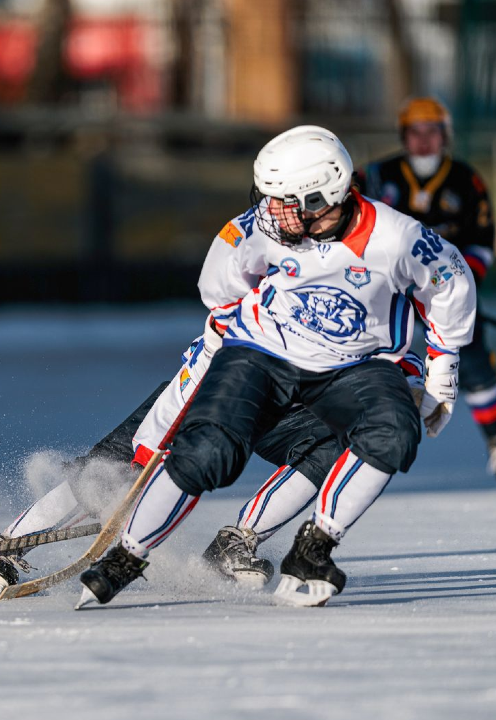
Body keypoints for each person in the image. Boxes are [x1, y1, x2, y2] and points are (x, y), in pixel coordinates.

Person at [76, 125, 475, 608]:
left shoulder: (398, 238)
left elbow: (451, 284)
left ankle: (315, 547)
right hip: (262, 354)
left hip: (354, 364)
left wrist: (442, 370)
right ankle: (128, 555)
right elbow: (220, 289)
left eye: (286, 201)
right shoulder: (263, 226)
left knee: (392, 430)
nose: (271, 211)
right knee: (208, 450)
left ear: (323, 198)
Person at [0, 325, 425, 596]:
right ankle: (6, 546)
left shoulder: (375, 272)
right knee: (116, 468)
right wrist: (150, 446)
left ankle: (235, 542)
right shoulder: (275, 258)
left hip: (295, 407)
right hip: (216, 391)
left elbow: (400, 351)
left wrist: (410, 383)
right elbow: (213, 349)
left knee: (339, 449)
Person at [361, 97, 496, 473]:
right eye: (415, 133)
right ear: (404, 136)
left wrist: (457, 285)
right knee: (371, 353)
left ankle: (494, 436)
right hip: (386, 288)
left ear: (445, 136)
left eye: (432, 132)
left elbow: (481, 240)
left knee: (470, 357)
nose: (424, 141)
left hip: (441, 288)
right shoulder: (374, 175)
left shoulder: (466, 180)